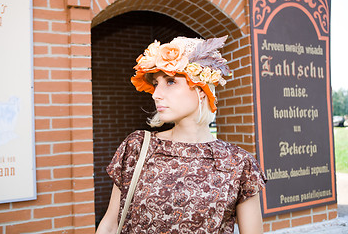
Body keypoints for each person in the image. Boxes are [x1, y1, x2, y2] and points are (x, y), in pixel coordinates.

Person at [96, 36, 267, 234]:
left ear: (201, 89)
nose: (155, 94)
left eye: (170, 82)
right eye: (155, 83)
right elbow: (109, 225)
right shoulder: (137, 146)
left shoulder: (238, 163)